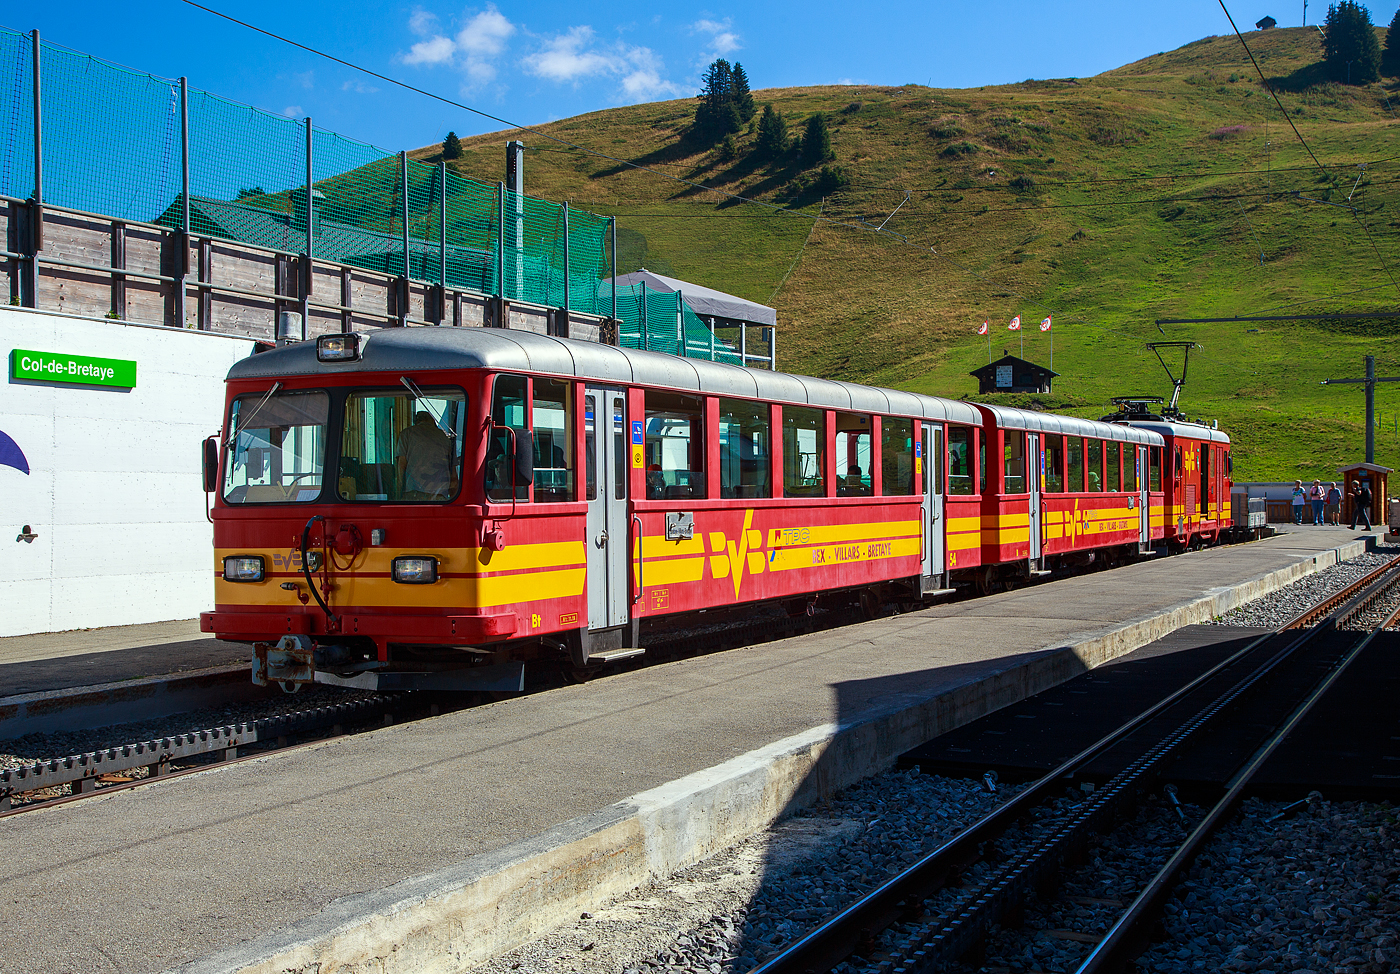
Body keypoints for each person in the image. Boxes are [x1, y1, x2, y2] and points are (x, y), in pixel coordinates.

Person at [396, 411, 454, 500]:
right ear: (433, 421)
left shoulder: (406, 434)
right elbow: (452, 469)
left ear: (416, 422)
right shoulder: (444, 436)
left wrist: (399, 492)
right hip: (439, 493)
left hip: (414, 492)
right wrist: (454, 496)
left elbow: (402, 464)